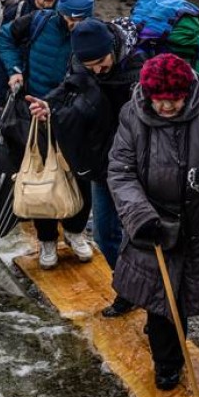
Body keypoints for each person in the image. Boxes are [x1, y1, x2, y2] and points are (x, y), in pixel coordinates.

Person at [107, 54, 199, 397]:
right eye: (160, 100)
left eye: (174, 99)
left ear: (188, 92)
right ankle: (167, 365)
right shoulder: (132, 115)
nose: (166, 106)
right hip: (157, 223)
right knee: (163, 301)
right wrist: (140, 216)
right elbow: (121, 171)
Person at [28, 17, 143, 316]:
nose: (96, 70)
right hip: (101, 163)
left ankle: (152, 296)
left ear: (113, 50)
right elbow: (70, 88)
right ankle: (127, 291)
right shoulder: (81, 62)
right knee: (105, 234)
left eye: (101, 62)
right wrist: (49, 105)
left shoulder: (137, 68)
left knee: (139, 234)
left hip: (135, 165)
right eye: (89, 64)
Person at [0, 0, 96, 268]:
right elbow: (4, 37)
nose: (74, 24)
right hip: (36, 112)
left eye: (80, 19)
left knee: (80, 174)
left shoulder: (93, 32)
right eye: (69, 18)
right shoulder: (37, 21)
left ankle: (76, 232)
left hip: (73, 114)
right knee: (40, 175)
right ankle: (48, 240)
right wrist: (14, 70)